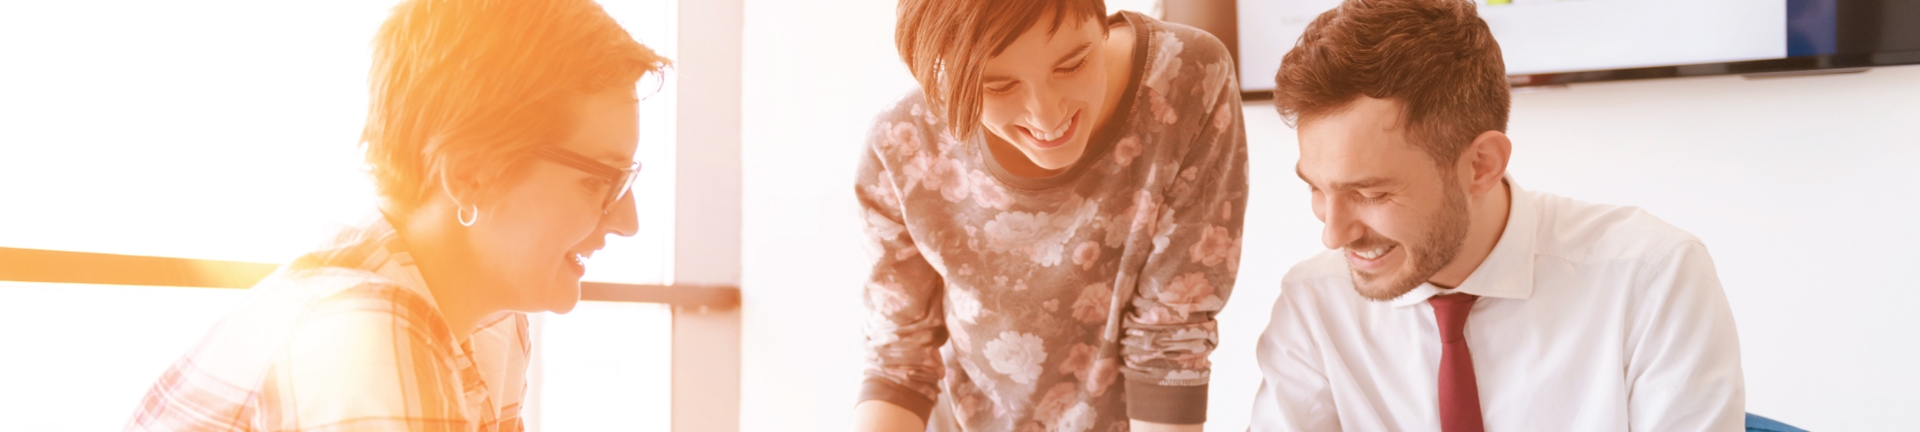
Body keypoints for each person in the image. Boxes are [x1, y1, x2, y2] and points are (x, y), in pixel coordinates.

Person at [125, 0, 666, 430]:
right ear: (470, 174)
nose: (627, 220)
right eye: (599, 180)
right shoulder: (365, 334)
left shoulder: (491, 324)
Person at [1249, 0, 1744, 431]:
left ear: (1481, 165)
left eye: (1372, 193)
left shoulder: (1651, 280)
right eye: (1316, 188)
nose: (1334, 235)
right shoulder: (1314, 304)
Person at [854, 1, 1249, 431]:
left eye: (1072, 64)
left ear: (1099, 22)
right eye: (1000, 86)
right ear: (943, 74)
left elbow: (1169, 337)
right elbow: (900, 358)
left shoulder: (1187, 78)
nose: (1048, 115)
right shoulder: (903, 145)